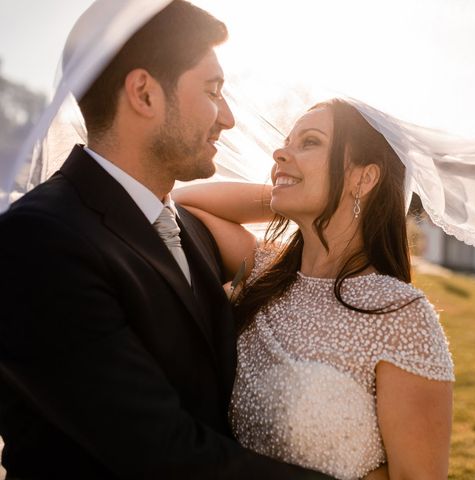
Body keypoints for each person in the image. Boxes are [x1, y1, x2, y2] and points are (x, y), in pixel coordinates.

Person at [0, 2, 333, 479]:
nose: (229, 119)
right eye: (214, 91)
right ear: (144, 93)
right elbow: (161, 455)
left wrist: (324, 193)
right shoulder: (37, 241)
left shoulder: (189, 227)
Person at [174, 99, 455, 480]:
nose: (280, 153)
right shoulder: (261, 271)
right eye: (287, 142)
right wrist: (291, 193)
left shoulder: (400, 315)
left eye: (309, 142)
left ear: (364, 178)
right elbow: (182, 201)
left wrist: (304, 193)